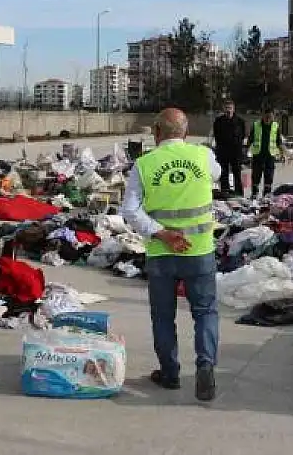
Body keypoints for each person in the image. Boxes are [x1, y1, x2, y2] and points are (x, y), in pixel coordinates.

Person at [120, 108, 221, 401]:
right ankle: (205, 366)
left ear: (156, 132)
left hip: (161, 252)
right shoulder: (203, 156)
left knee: (163, 316)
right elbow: (216, 175)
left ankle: (170, 373)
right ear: (186, 133)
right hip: (199, 250)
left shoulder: (144, 164)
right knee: (205, 312)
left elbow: (130, 210)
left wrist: (161, 232)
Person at [246, 108, 284, 198]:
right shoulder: (256, 125)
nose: (268, 119)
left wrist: (283, 154)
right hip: (258, 156)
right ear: (262, 116)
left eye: (270, 117)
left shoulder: (275, 126)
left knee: (269, 178)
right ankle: (254, 194)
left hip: (270, 157)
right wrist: (246, 153)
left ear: (273, 117)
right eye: (266, 117)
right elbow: (250, 140)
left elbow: (279, 142)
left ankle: (266, 196)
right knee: (255, 177)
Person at [211, 99, 246, 197]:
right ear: (223, 109)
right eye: (226, 108)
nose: (228, 110)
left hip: (236, 152)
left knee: (237, 173)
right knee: (224, 173)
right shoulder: (219, 121)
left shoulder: (240, 121)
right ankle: (225, 192)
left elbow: (242, 135)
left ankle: (239, 193)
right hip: (223, 151)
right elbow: (216, 135)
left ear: (233, 109)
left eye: (230, 108)